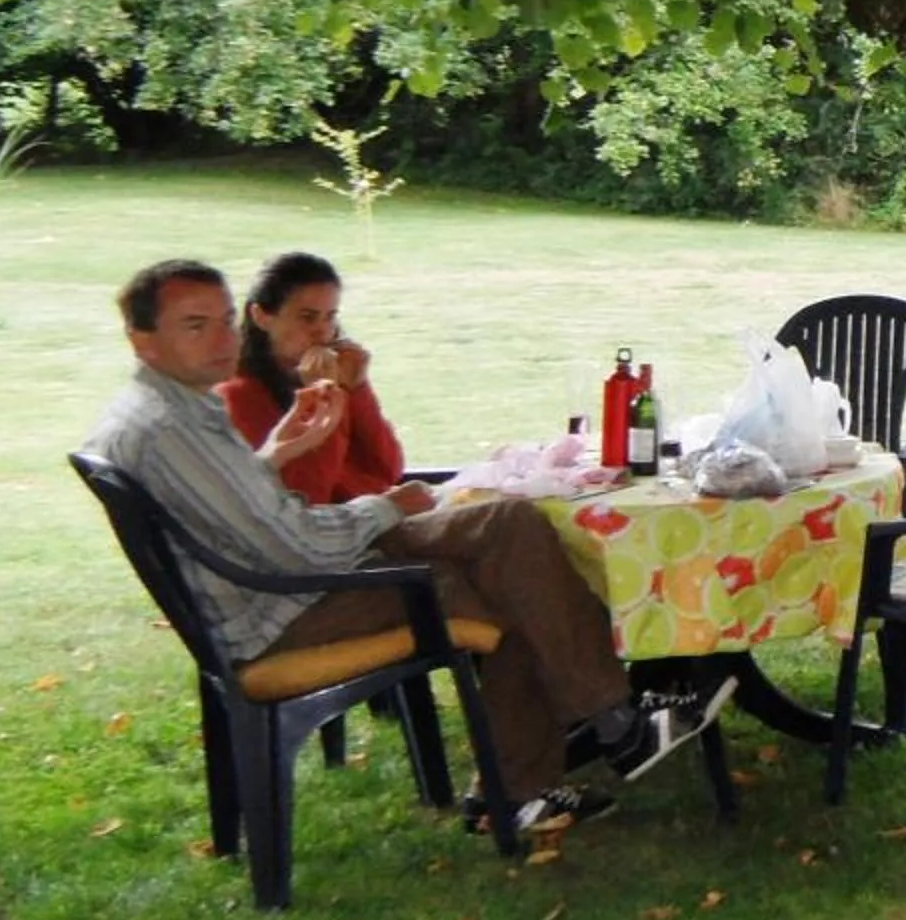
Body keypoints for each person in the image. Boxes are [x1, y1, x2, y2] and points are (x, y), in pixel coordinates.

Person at [87, 259, 730, 836]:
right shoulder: (172, 427)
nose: (223, 338)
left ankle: (584, 747)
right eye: (195, 325)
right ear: (142, 340)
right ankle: (595, 739)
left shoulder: (168, 409)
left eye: (224, 321)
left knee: (512, 533)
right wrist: (383, 506)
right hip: (286, 605)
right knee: (511, 573)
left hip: (290, 573)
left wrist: (285, 449)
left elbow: (252, 507)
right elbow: (293, 544)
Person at [217, 251, 405, 506]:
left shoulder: (332, 374)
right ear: (261, 316)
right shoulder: (240, 395)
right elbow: (306, 497)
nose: (322, 332)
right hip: (338, 531)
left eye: (330, 317)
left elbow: (388, 470)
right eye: (307, 317)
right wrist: (325, 404)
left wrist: (358, 390)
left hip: (376, 515)